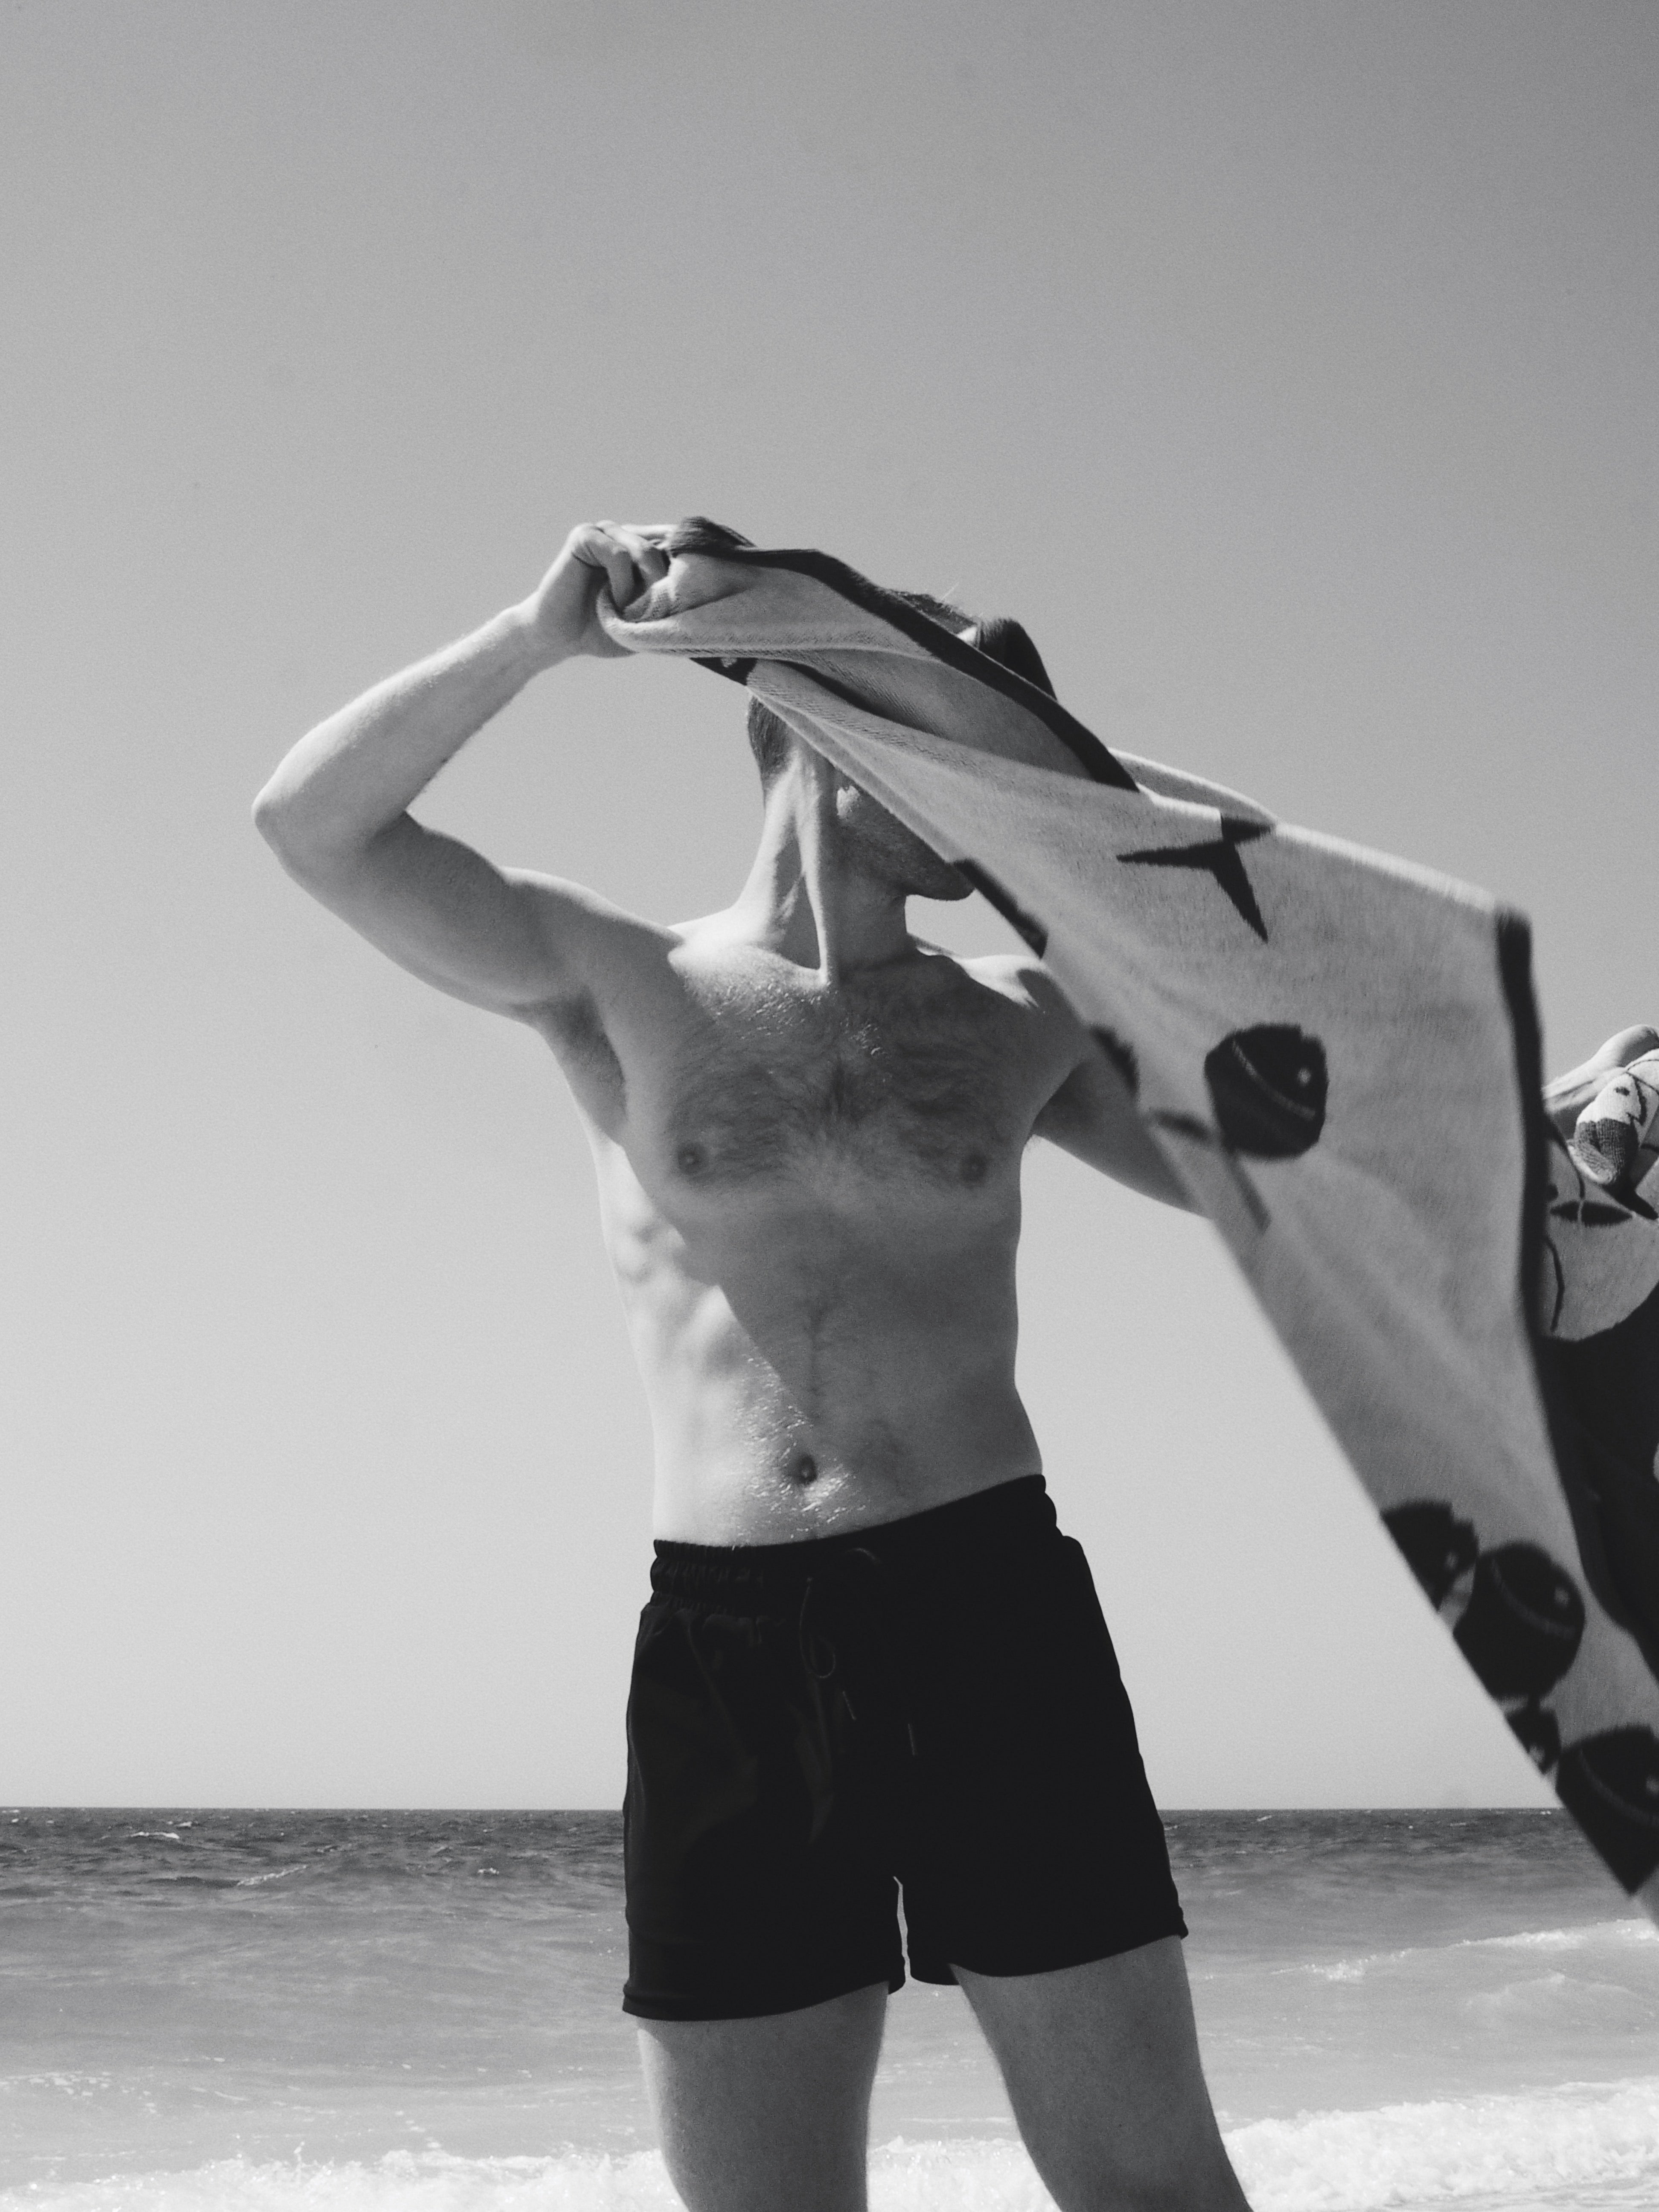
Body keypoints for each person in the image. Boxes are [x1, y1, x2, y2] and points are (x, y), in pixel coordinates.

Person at [251, 520, 1257, 2212]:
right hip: (733, 1649)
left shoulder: (1027, 1016)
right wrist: (531, 638)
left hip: (990, 1607)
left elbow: (1277, 1171)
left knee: (1152, 2184)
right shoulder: (625, 980)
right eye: (962, 735)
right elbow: (312, 825)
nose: (993, 785)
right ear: (821, 723)